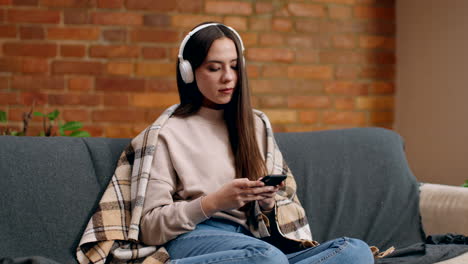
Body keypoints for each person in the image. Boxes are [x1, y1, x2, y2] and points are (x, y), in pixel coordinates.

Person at [139, 22, 375, 264]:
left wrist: (267, 204)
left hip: (252, 242)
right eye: (214, 68)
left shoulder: (256, 124)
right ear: (188, 72)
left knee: (355, 251)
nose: (228, 77)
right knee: (267, 258)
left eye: (234, 66)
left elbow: (276, 216)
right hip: (193, 237)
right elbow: (149, 226)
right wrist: (213, 202)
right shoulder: (167, 133)